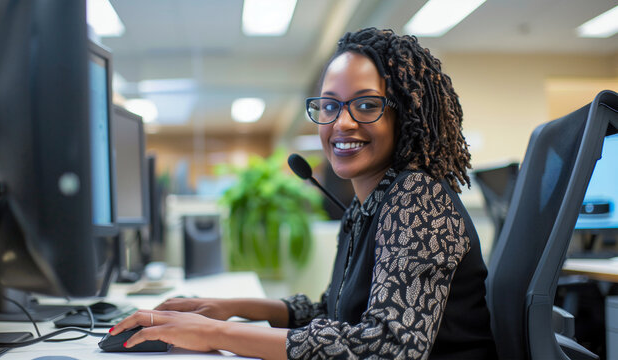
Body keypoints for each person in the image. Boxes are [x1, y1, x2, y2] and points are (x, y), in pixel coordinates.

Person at [109, 27, 497, 359]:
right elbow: (331, 314)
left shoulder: (418, 199)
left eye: (365, 105)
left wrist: (215, 334)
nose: (341, 122)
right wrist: (227, 309)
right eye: (329, 106)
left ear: (406, 112)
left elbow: (387, 348)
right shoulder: (368, 206)